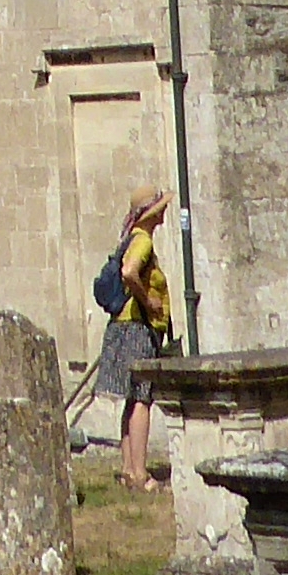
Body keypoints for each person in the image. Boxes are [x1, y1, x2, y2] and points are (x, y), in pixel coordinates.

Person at [78, 187, 176, 489]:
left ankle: (127, 469)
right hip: (136, 328)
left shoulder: (130, 237)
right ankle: (140, 473)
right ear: (152, 213)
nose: (163, 212)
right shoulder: (143, 241)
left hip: (122, 327)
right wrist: (149, 301)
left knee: (132, 399)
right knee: (142, 399)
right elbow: (129, 272)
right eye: (160, 208)